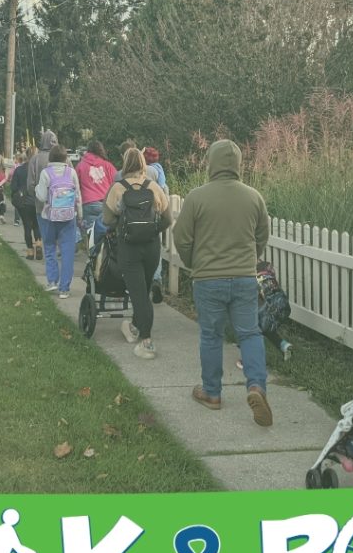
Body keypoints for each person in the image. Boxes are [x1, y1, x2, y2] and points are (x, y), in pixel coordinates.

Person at [173, 139, 273, 426]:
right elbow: (261, 235)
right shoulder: (253, 196)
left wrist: (193, 262)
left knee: (211, 335)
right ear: (238, 164)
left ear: (212, 163)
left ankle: (212, 393)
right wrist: (249, 258)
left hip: (208, 278)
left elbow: (181, 237)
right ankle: (256, 386)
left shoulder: (197, 197)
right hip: (243, 277)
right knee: (250, 333)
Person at [102, 148, 171, 361]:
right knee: (145, 289)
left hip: (128, 248)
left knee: (138, 294)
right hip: (151, 247)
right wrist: (151, 230)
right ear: (143, 165)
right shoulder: (154, 187)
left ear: (124, 165)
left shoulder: (117, 188)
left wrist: (124, 226)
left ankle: (146, 340)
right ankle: (134, 326)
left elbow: (106, 219)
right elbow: (167, 220)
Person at [35, 143, 83, 299]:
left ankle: (52, 281)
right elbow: (77, 196)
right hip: (69, 217)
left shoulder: (45, 173)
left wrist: (37, 189)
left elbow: (41, 197)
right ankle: (64, 289)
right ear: (65, 158)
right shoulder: (71, 172)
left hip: (49, 217)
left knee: (49, 248)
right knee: (67, 252)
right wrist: (80, 215)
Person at [76, 140, 117, 239]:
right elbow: (116, 183)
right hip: (106, 203)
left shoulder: (80, 166)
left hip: (88, 204)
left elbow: (76, 187)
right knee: (108, 232)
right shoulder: (108, 165)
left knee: (92, 235)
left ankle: (93, 251)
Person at [143, 146, 169, 302]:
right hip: (156, 214)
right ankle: (156, 278)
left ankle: (143, 281)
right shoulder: (159, 171)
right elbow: (164, 190)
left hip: (138, 214)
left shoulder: (141, 170)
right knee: (156, 249)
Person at [10, 148, 43, 260]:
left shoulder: (19, 170)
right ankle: (38, 243)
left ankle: (29, 251)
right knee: (37, 225)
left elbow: (13, 187)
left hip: (24, 202)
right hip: (37, 200)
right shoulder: (40, 170)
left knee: (27, 227)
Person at [26, 128, 60, 200]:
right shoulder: (64, 158)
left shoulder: (34, 159)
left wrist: (36, 196)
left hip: (41, 204)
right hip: (61, 203)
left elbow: (30, 185)